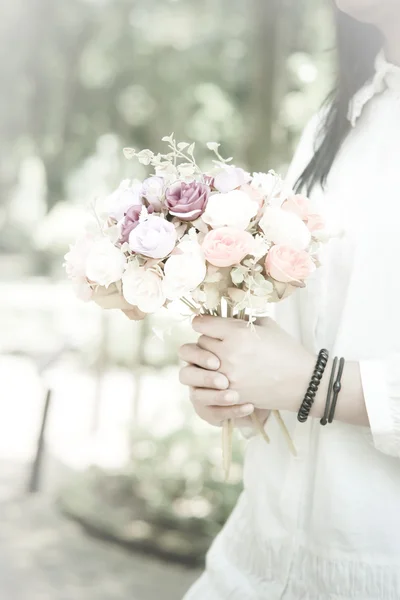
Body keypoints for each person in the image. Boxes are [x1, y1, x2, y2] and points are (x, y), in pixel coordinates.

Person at [179, 2, 400, 598]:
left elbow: (312, 376)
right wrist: (240, 386)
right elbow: (309, 331)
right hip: (254, 557)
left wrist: (315, 383)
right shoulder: (340, 117)